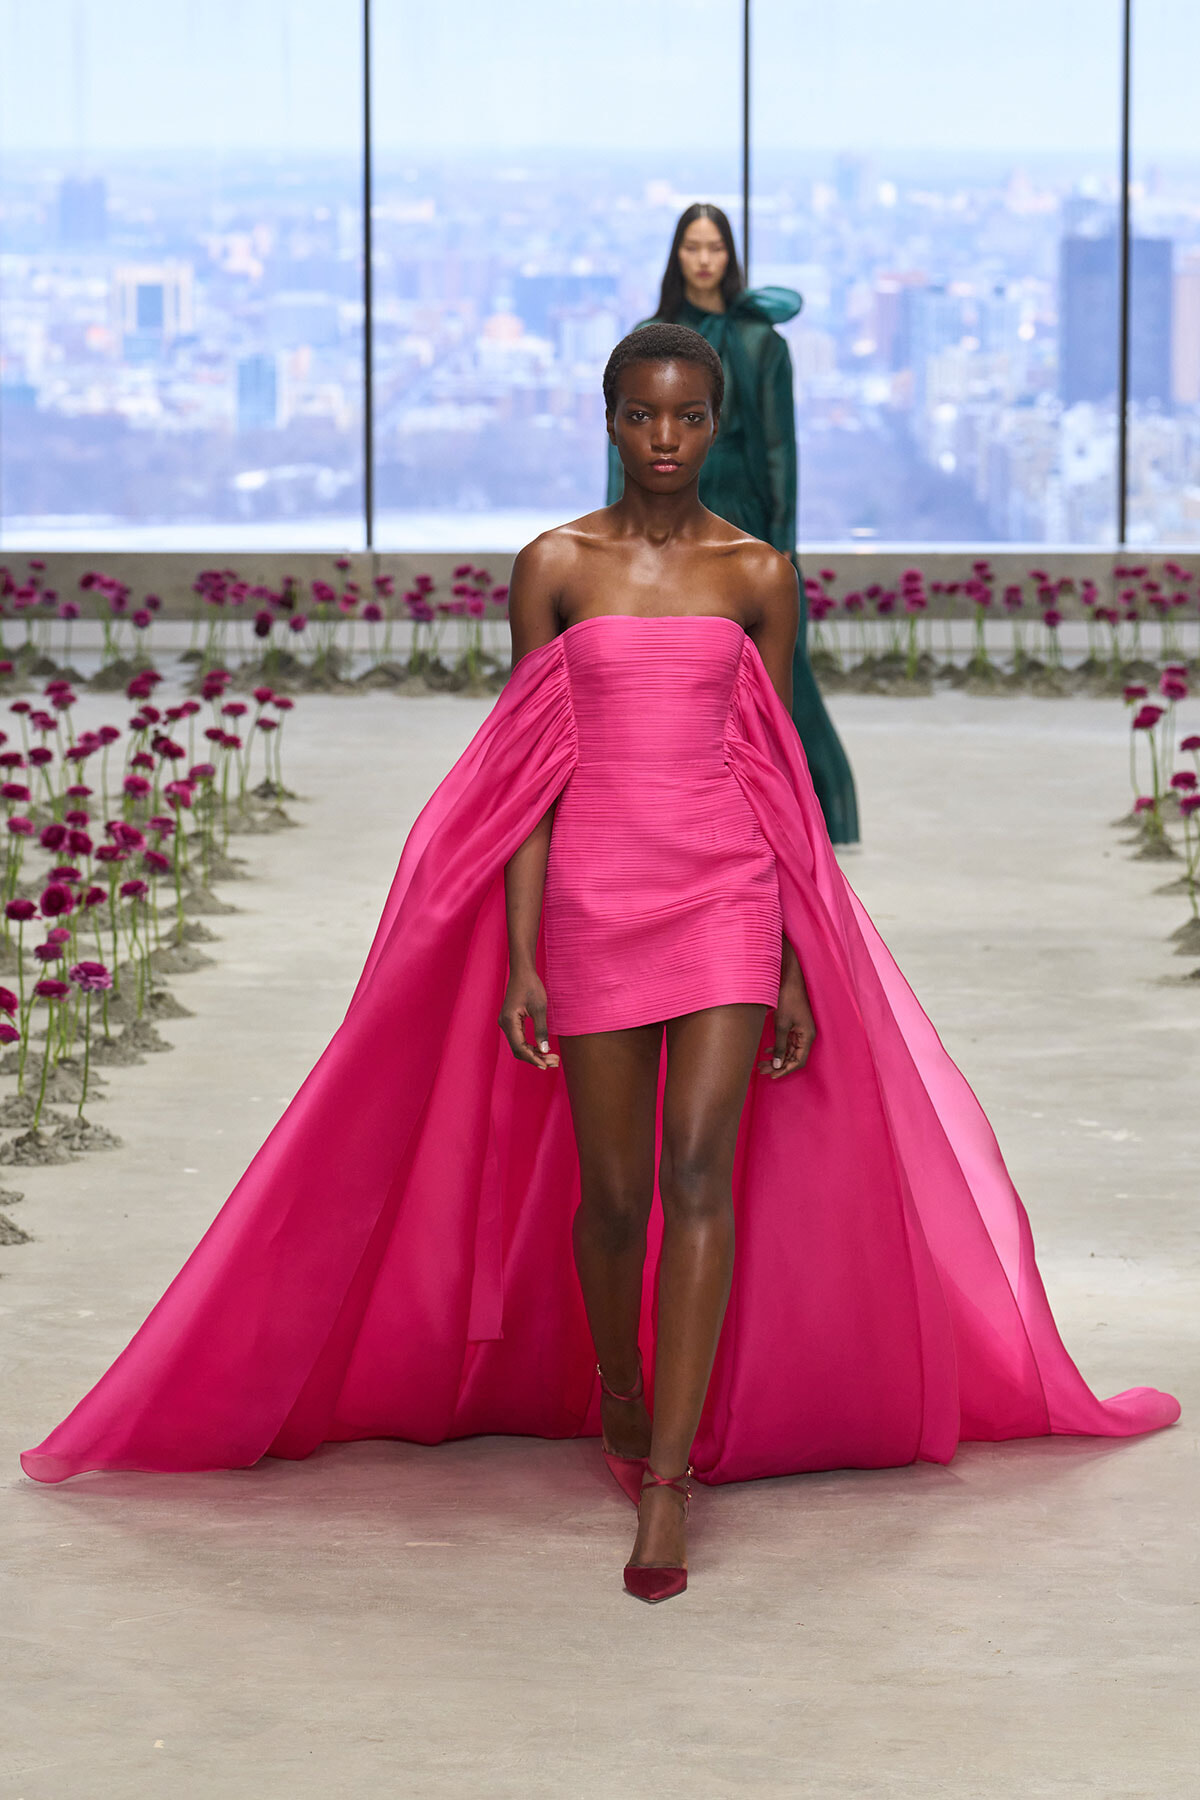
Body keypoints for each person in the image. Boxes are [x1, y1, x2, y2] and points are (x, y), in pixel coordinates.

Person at [21, 327, 1178, 1608]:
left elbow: (779, 779)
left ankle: (670, 1483)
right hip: (594, 900)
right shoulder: (555, 568)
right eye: (643, 416)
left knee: (700, 1176)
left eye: (689, 417)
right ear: (611, 420)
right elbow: (527, 774)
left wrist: (797, 953)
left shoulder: (760, 575)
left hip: (731, 890)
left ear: (718, 423)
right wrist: (520, 953)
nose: (667, 439)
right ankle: (619, 1386)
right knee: (614, 1198)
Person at [607, 201, 860, 847]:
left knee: (774, 672)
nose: (702, 259)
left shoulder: (760, 342)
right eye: (691, 246)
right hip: (659, 510)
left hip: (739, 513)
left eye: (713, 247)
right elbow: (625, 443)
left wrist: (783, 548)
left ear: (729, 256)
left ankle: (806, 808)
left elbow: (780, 449)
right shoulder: (649, 335)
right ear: (677, 254)